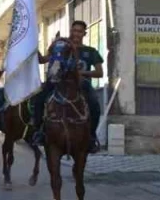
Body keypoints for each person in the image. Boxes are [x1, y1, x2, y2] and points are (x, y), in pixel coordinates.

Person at [29, 20, 104, 152]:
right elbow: (43, 60)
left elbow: (99, 73)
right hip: (58, 82)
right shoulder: (61, 48)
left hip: (82, 84)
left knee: (95, 105)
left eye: (79, 31)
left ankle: (91, 137)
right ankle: (39, 131)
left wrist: (81, 73)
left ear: (84, 34)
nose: (76, 34)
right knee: (38, 98)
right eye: (74, 30)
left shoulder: (91, 51)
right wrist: (33, 46)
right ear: (71, 31)